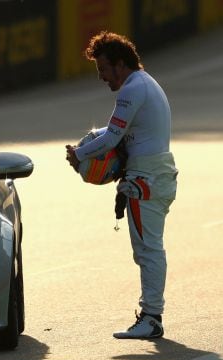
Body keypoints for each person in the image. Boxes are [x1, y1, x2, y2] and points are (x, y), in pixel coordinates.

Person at [66, 31, 178, 339]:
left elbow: (112, 137)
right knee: (147, 248)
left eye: (103, 68)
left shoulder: (132, 88)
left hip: (148, 178)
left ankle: (152, 318)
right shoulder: (143, 83)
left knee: (148, 249)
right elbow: (118, 131)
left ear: (119, 64)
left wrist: (80, 155)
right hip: (152, 175)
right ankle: (151, 316)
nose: (101, 76)